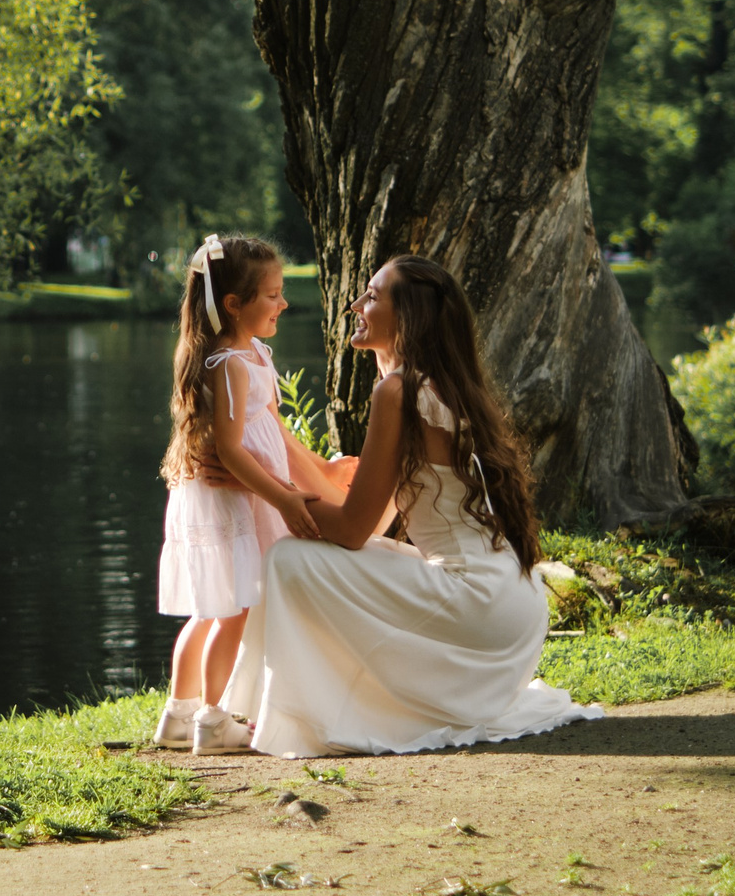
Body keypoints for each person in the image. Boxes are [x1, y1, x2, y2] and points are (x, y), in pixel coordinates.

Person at [219, 255, 604, 757]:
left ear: (409, 317)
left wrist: (266, 490)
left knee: (289, 560)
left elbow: (352, 529)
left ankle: (302, 713)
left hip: (479, 605)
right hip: (515, 608)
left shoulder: (398, 390)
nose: (355, 305)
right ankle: (302, 706)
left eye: (373, 297)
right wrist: (281, 468)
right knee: (336, 556)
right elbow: (369, 524)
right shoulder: (442, 385)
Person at [153, 234, 339, 754]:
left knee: (212, 609)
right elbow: (233, 453)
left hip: (247, 493)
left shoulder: (251, 351)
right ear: (234, 304)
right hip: (237, 498)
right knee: (231, 609)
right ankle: (212, 721)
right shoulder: (228, 364)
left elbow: (272, 427)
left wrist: (319, 467)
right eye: (273, 295)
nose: (283, 302)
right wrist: (283, 497)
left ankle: (177, 712)